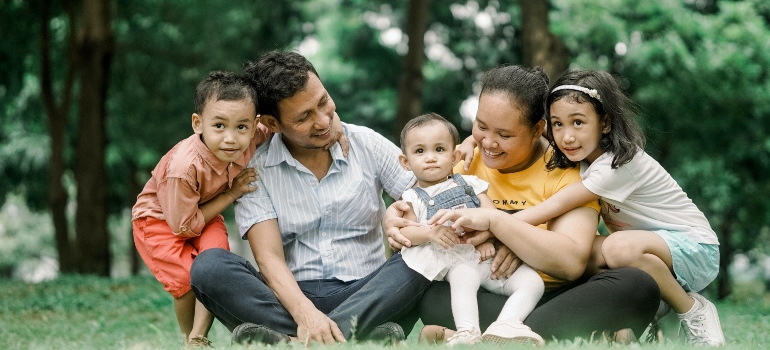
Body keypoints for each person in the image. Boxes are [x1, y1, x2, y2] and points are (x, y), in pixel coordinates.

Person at [386, 64, 661, 343]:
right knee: (430, 291)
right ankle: (542, 332)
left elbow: (571, 262)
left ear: (537, 129)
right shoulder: (463, 160)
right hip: (479, 290)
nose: (489, 143)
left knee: (639, 285)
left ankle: (489, 332)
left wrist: (504, 230)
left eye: (504, 135)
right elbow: (420, 220)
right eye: (481, 126)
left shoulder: (567, 169)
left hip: (555, 294)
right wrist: (394, 220)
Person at [188, 51, 432, 346]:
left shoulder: (365, 144)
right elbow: (269, 258)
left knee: (427, 253)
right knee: (209, 266)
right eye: (304, 117)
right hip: (290, 300)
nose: (322, 121)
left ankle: (291, 342)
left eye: (323, 102)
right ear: (272, 123)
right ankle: (357, 336)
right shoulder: (256, 171)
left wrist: (403, 216)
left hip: (368, 291)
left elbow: (430, 195)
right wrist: (305, 314)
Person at [506, 70, 724, 346]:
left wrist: (502, 226)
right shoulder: (583, 152)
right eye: (558, 124)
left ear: (605, 123)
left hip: (696, 248)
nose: (567, 136)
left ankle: (692, 309)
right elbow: (527, 133)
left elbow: (557, 204)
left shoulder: (619, 163)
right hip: (650, 251)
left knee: (616, 247)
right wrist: (471, 142)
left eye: (578, 122)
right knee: (575, 251)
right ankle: (654, 310)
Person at [131, 71, 270, 346]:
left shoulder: (251, 137)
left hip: (203, 213)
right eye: (219, 125)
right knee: (185, 281)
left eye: (241, 127)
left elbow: (282, 124)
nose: (231, 139)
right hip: (160, 221)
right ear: (198, 123)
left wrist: (334, 126)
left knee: (215, 266)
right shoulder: (184, 168)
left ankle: (198, 337)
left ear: (254, 127)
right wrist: (232, 192)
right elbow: (182, 227)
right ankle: (190, 340)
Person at [396, 112, 544, 345]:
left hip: (488, 259)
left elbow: (492, 217)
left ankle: (505, 324)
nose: (431, 158)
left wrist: (486, 240)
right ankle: (468, 331)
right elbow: (405, 233)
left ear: (454, 156)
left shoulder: (470, 184)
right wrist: (429, 233)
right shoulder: (412, 197)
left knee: (533, 282)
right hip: (457, 262)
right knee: (463, 279)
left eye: (439, 150)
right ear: (405, 161)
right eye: (420, 151)